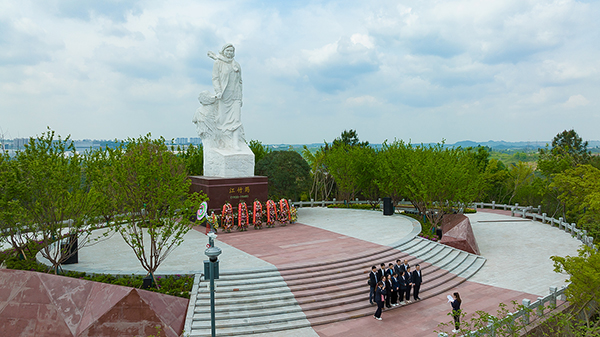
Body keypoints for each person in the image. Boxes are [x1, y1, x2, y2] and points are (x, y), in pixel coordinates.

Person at [210, 43, 244, 150]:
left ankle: (235, 143)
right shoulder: (218, 63)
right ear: (223, 51)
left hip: (236, 96)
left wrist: (241, 97)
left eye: (231, 51)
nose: (229, 53)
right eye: (227, 51)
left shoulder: (236, 65)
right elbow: (215, 78)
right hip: (224, 96)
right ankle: (221, 141)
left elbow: (240, 82)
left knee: (236, 119)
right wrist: (218, 91)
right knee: (222, 119)